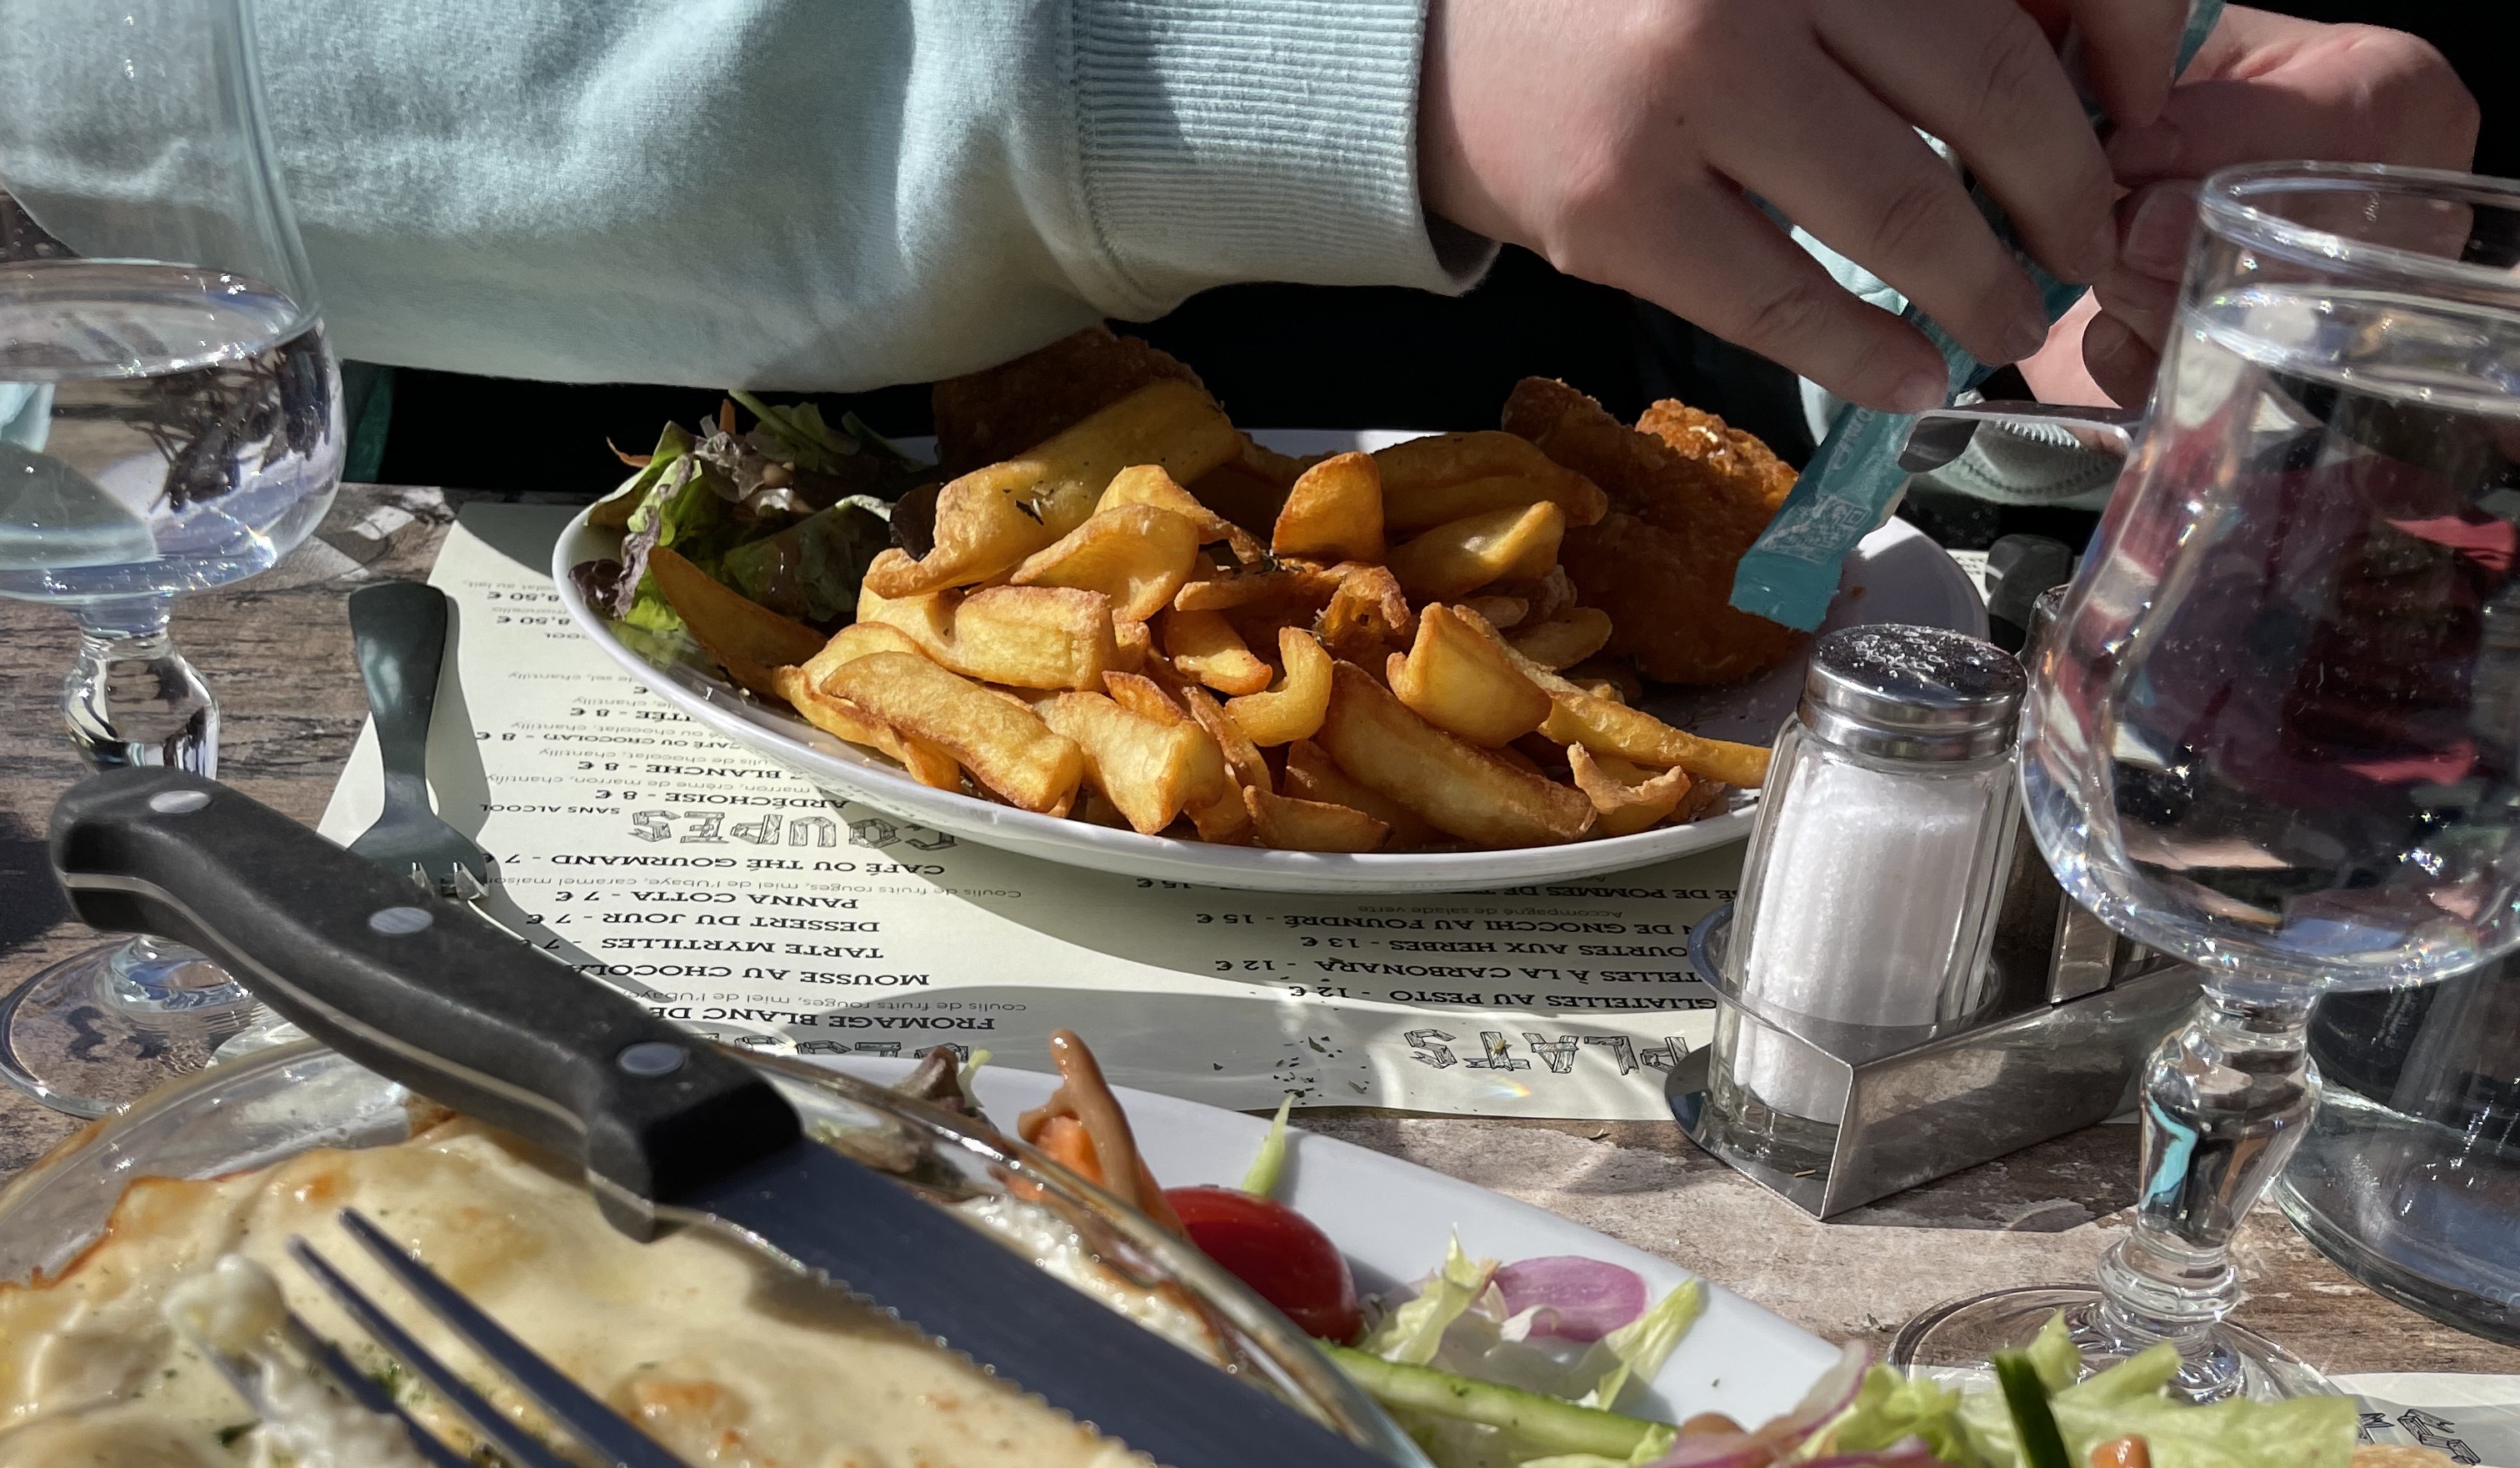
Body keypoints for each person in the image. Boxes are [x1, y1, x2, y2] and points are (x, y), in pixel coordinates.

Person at [202, 0, 2484, 413]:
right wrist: (1352, 64)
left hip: (1742, 885)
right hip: (539, 673)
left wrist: (2065, 218)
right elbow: (106, 83)